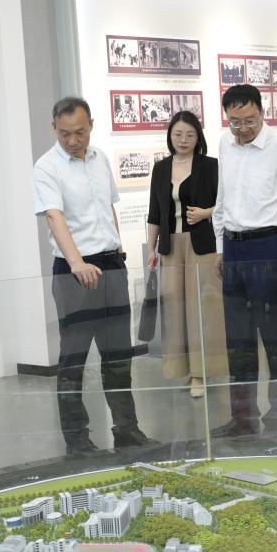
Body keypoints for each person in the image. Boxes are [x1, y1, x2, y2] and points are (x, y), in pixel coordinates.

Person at [32, 96, 156, 455]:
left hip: (111, 266)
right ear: (54, 128)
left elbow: (108, 209)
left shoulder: (100, 159)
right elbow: (54, 217)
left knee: (118, 356)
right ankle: (77, 440)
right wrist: (76, 263)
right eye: (64, 133)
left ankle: (127, 431)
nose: (73, 140)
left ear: (91, 127)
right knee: (73, 360)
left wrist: (118, 250)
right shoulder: (46, 167)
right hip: (74, 272)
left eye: (80, 132)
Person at [211, 84, 277, 439]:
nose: (242, 128)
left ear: (262, 113)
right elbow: (221, 199)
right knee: (237, 340)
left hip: (269, 245)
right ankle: (242, 417)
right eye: (235, 121)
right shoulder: (225, 144)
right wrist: (221, 246)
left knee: (275, 338)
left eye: (249, 120)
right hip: (233, 248)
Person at [146, 111, 227, 398]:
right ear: (170, 135)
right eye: (178, 134)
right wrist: (151, 248)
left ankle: (201, 373)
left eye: (190, 135)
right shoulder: (160, 168)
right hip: (170, 247)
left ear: (198, 137)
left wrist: (206, 213)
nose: (183, 140)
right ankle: (181, 369)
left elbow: (227, 203)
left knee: (203, 308)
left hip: (202, 244)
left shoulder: (210, 165)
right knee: (175, 309)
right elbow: (154, 213)